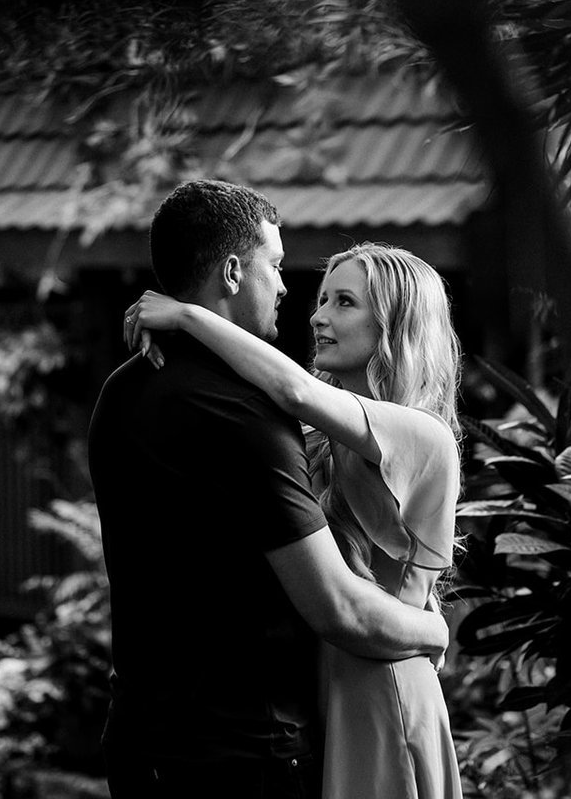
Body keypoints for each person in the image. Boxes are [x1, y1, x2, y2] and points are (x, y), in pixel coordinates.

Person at [90, 180, 450, 799]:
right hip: (256, 736)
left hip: (365, 687)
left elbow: (295, 390)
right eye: (281, 270)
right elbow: (335, 605)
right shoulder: (265, 422)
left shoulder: (122, 391)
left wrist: (185, 315)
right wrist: (434, 630)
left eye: (344, 303)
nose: (304, 304)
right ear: (234, 271)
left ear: (392, 327)